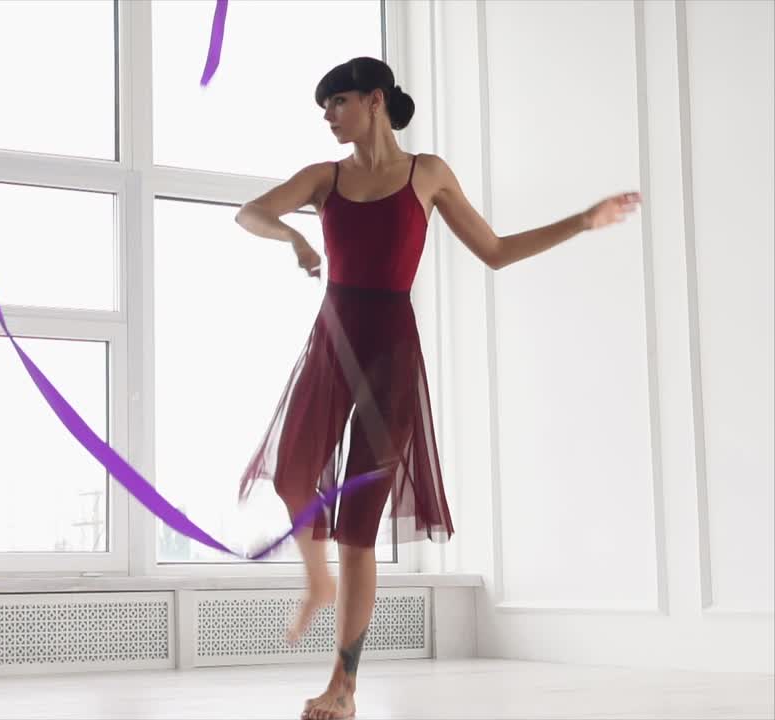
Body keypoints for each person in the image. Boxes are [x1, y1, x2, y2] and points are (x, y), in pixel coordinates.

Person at [234, 56, 641, 720]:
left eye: (336, 102)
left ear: (373, 100)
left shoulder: (428, 173)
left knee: (359, 530)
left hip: (391, 349)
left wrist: (581, 221)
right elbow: (250, 213)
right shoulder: (323, 178)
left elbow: (497, 249)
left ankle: (343, 685)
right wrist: (293, 239)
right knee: (292, 473)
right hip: (333, 339)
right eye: (323, 109)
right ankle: (316, 583)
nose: (328, 117)